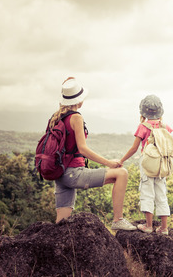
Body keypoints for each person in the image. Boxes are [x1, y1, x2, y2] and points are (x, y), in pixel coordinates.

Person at [53, 77, 136, 231]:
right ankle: (118, 220)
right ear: (80, 100)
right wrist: (109, 163)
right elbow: (83, 149)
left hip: (60, 175)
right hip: (73, 174)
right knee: (122, 174)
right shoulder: (76, 117)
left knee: (61, 225)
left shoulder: (57, 117)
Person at [119, 95, 172, 235]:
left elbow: (134, 148)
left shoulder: (142, 127)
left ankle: (149, 226)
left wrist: (121, 160)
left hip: (147, 164)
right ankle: (164, 228)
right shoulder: (164, 126)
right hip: (161, 165)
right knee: (161, 193)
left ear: (143, 111)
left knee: (147, 192)